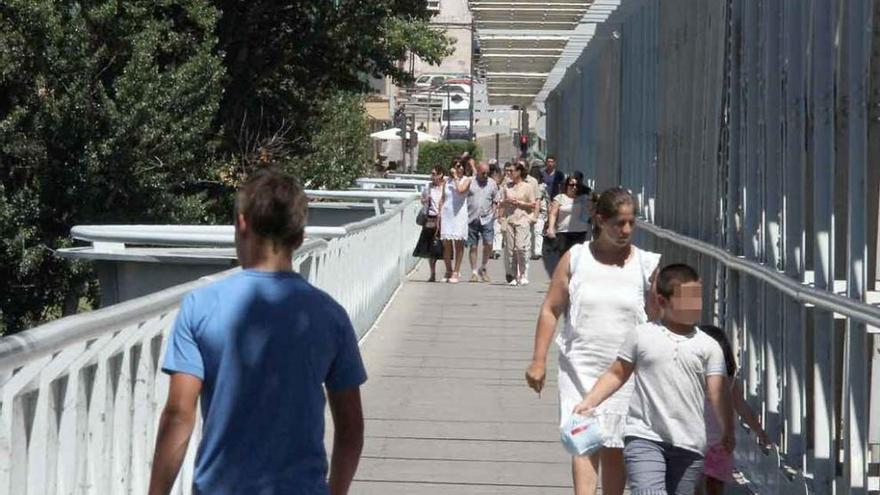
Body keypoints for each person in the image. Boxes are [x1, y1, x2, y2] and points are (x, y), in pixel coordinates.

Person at [149, 168, 367, 495]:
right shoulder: (329, 315)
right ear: (300, 236)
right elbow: (350, 429)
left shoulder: (200, 306)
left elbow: (180, 414)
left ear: (241, 224)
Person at [525, 187, 660, 495]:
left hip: (626, 371)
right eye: (619, 223)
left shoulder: (646, 265)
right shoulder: (576, 258)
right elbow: (551, 308)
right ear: (600, 220)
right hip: (580, 365)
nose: (626, 230)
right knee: (583, 440)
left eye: (631, 222)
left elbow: (657, 324)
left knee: (615, 446)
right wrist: (538, 359)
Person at [572, 264, 735, 495]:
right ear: (662, 301)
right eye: (687, 299)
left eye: (697, 298)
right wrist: (590, 401)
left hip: (690, 443)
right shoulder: (642, 335)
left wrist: (728, 429)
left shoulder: (709, 346)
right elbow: (617, 373)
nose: (695, 306)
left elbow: (718, 392)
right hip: (644, 435)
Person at [697, 325, 770, 495]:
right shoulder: (690, 377)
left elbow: (742, 407)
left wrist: (759, 431)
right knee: (693, 487)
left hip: (721, 444)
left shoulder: (728, 381)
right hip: (694, 443)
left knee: (715, 487)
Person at [500, 162, 536, 286]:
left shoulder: (527, 187)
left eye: (512, 171)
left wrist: (520, 203)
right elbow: (501, 203)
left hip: (523, 219)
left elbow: (533, 205)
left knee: (520, 247)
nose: (509, 173)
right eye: (508, 171)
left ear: (519, 172)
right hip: (510, 219)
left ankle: (524, 273)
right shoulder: (507, 186)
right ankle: (514, 275)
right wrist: (505, 202)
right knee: (510, 250)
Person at [439, 158, 472, 283]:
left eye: (462, 166)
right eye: (458, 166)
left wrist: (456, 178)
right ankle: (448, 269)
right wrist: (439, 213)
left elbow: (460, 190)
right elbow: (443, 198)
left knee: (458, 244)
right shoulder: (446, 181)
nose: (461, 168)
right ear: (453, 167)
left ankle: (456, 271)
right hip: (447, 214)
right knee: (446, 244)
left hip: (459, 215)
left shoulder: (466, 180)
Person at [466, 162, 499, 282]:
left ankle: (483, 267)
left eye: (487, 173)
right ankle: (474, 272)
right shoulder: (470, 181)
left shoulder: (492, 183)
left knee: (489, 243)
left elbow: (496, 199)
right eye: (483, 173)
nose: (485, 175)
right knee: (473, 246)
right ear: (478, 171)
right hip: (472, 217)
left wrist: (494, 213)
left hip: (487, 218)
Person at [413, 165, 446, 281]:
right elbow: (422, 200)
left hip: (443, 219)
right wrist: (425, 200)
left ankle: (448, 272)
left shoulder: (445, 187)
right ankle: (432, 273)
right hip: (430, 218)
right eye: (431, 173)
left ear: (440, 174)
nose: (431, 176)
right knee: (430, 247)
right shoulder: (428, 186)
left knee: (443, 246)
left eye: (434, 173)